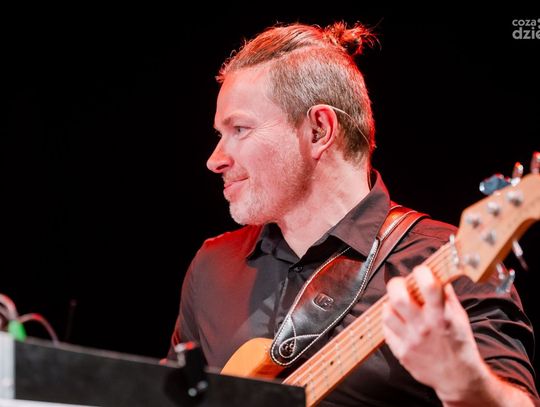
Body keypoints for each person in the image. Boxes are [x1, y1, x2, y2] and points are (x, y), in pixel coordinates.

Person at [167, 21, 538, 406]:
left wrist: (463, 380)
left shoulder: (449, 262)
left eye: (240, 129)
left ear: (318, 130)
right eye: (220, 134)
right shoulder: (213, 266)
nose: (215, 160)